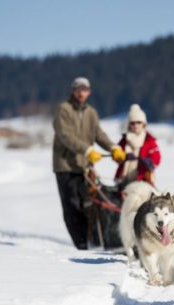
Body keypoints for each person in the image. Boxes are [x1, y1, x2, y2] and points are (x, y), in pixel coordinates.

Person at [53, 77, 126, 250]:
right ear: (73, 91)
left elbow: (98, 134)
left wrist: (113, 147)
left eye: (84, 89)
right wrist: (87, 150)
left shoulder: (91, 112)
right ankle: (81, 245)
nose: (81, 92)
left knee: (90, 204)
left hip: (84, 167)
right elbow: (65, 135)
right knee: (71, 206)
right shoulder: (63, 109)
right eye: (78, 89)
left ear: (89, 92)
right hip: (65, 166)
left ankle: (91, 241)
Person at [114, 104, 161, 187]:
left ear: (143, 124)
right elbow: (116, 155)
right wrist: (123, 157)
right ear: (129, 125)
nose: (136, 125)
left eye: (138, 122)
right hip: (124, 179)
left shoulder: (149, 140)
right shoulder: (124, 140)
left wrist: (149, 161)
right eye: (133, 123)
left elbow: (156, 157)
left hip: (143, 179)